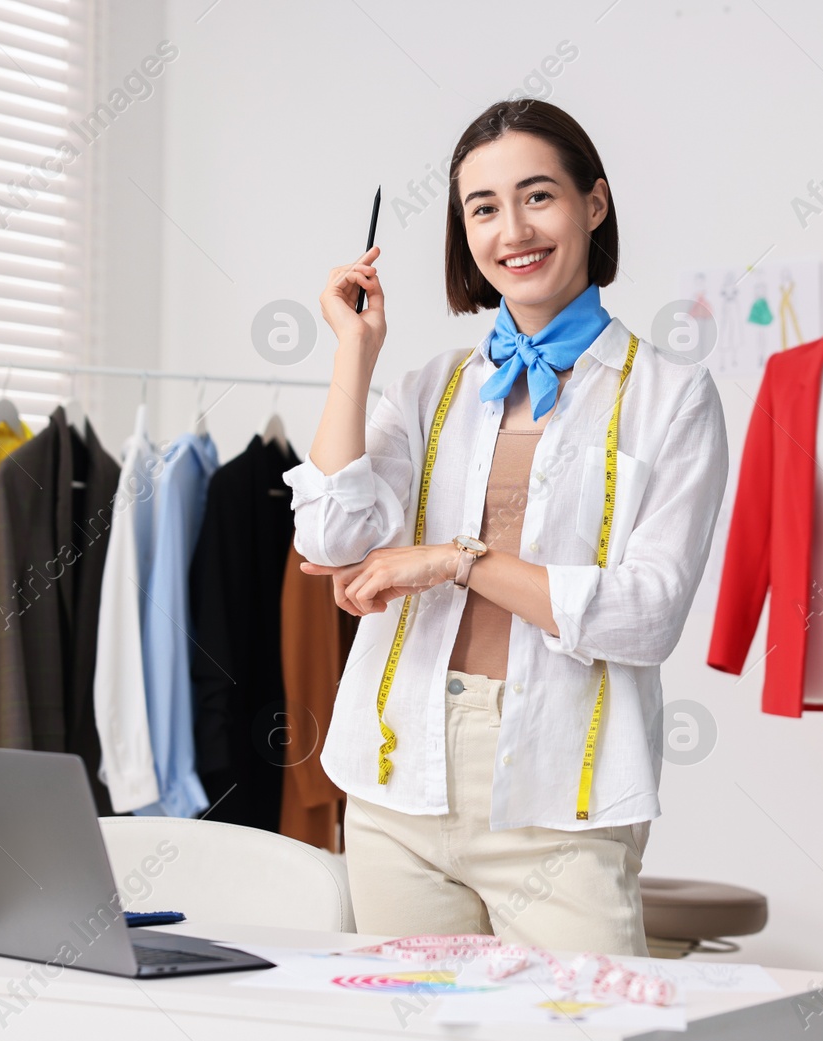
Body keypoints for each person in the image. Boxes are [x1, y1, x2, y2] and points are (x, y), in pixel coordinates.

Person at [282, 99, 728, 957]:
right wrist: (355, 352)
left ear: (592, 204)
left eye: (538, 197)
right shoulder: (426, 386)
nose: (512, 230)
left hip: (558, 788)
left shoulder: (669, 396)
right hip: (395, 780)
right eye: (483, 208)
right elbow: (329, 536)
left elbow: (645, 615)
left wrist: (453, 561)